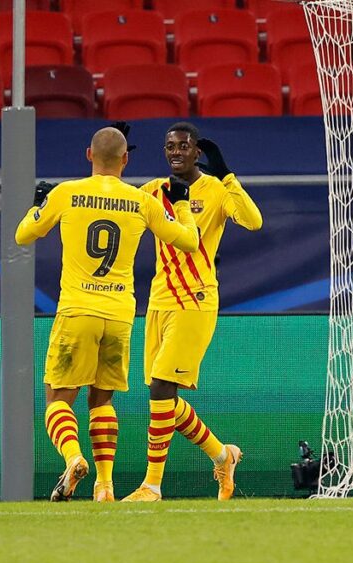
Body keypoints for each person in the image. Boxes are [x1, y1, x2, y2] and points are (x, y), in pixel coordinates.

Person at [15, 127, 199, 502]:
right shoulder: (141, 201)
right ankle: (104, 486)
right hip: (118, 314)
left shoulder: (66, 193)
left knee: (58, 399)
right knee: (102, 402)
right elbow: (189, 242)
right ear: (125, 160)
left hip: (77, 310)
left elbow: (23, 234)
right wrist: (181, 203)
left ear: (88, 155)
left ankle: (73, 457)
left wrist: (38, 203)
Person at [122, 122, 263, 502]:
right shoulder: (152, 190)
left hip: (196, 300)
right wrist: (114, 163)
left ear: (197, 150)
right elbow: (120, 212)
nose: (176, 152)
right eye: (170, 147)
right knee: (159, 392)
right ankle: (223, 454)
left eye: (183, 146)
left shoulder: (214, 190)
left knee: (164, 388)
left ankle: (151, 485)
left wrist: (226, 172)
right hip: (158, 300)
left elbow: (253, 221)